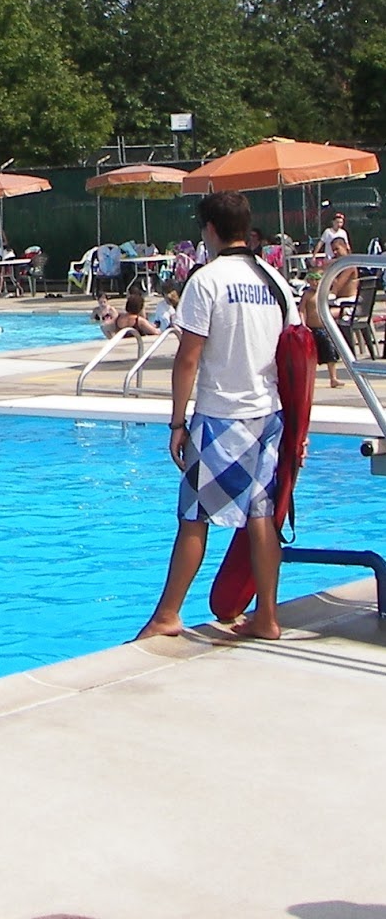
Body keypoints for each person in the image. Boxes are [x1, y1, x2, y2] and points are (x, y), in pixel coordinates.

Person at [137, 191, 300, 643]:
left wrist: (176, 423)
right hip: (268, 414)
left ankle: (168, 614)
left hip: (221, 415)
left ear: (209, 229)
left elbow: (189, 357)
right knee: (262, 515)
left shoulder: (206, 281)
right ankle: (267, 616)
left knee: (194, 517)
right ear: (246, 227)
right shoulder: (274, 280)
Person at [299, 275, 341, 390]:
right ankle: (308, 379)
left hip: (324, 328)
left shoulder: (324, 293)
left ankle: (333, 378)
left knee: (330, 353)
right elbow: (302, 310)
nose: (314, 283)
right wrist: (303, 324)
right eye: (312, 280)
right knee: (310, 356)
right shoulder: (307, 295)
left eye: (317, 280)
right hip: (312, 328)